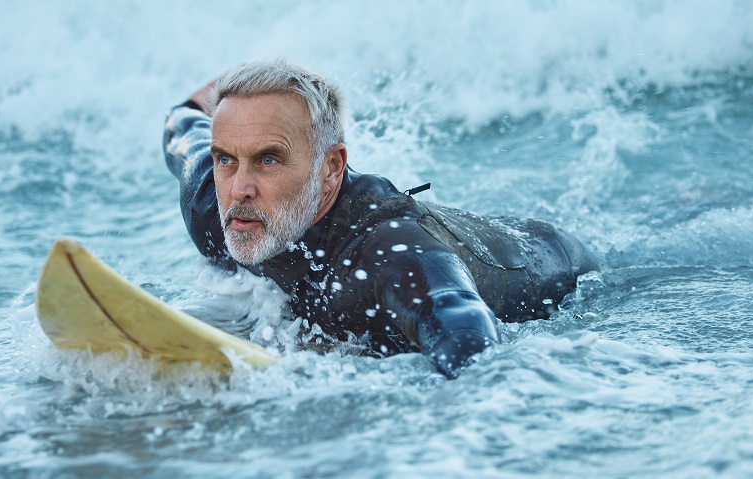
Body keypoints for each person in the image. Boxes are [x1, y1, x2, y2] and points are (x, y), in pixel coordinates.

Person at [162, 59, 597, 378]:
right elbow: (183, 128)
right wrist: (199, 98)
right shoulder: (215, 206)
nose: (240, 187)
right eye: (225, 159)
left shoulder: (389, 253)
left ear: (331, 168)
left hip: (549, 262)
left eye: (269, 159)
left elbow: (465, 332)